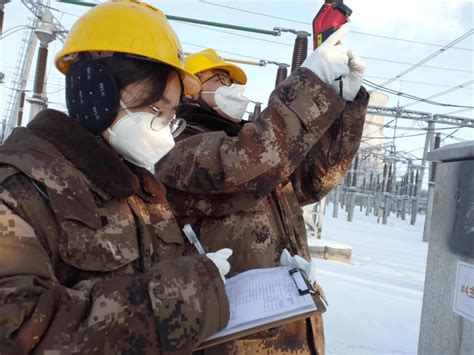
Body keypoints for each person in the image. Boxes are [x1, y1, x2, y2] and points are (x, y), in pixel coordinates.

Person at [0, 2, 232, 353]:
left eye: (171, 117)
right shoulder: (20, 189)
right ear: (95, 91)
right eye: (156, 110)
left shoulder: (137, 188)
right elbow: (18, 329)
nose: (165, 133)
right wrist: (188, 295)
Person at [156, 29, 370, 355]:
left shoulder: (262, 154)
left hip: (289, 329)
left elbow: (315, 180)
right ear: (189, 91)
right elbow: (241, 161)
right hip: (235, 340)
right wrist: (311, 81)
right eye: (221, 80)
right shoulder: (180, 148)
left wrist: (345, 104)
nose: (235, 89)